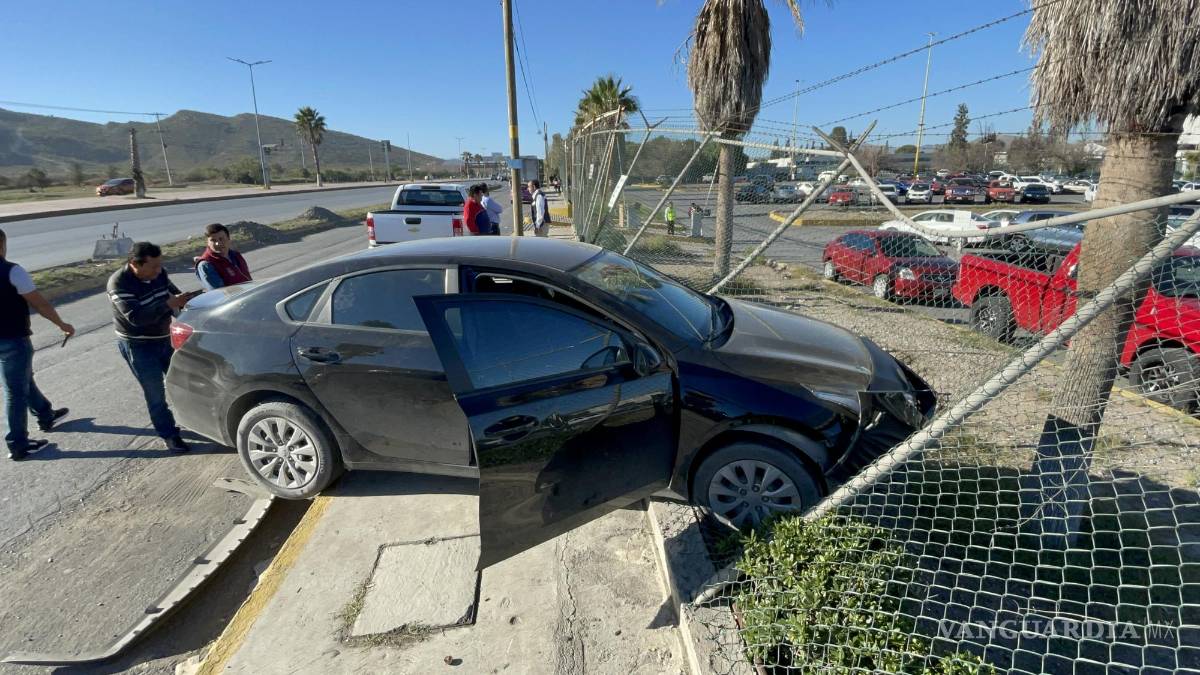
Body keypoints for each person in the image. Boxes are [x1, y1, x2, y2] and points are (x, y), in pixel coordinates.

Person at [107, 243, 202, 453]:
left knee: (182, 381)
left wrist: (185, 301)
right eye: (153, 267)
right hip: (138, 345)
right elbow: (137, 318)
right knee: (155, 394)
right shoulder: (119, 284)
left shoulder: (159, 273)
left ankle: (198, 423)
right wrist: (169, 305)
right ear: (134, 264)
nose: (158, 271)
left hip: (164, 338)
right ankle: (169, 434)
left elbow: (172, 294)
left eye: (160, 266)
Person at [0, 229, 73, 460]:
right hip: (13, 339)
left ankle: (45, 414)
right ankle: (18, 443)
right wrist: (62, 324)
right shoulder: (12, 271)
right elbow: (40, 304)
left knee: (22, 379)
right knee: (15, 392)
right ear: (2, 245)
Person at [195, 223, 252, 291]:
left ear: (228, 239)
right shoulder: (206, 264)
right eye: (213, 240)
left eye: (221, 239)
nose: (218, 243)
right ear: (208, 243)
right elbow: (219, 293)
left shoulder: (236, 255)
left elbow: (248, 279)